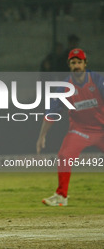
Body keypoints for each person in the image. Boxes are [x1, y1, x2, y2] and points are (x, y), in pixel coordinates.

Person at [36, 48, 104, 206]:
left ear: (85, 63)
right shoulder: (65, 86)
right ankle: (61, 196)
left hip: (101, 130)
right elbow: (52, 113)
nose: (77, 66)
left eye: (79, 62)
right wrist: (42, 136)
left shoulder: (97, 80)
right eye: (73, 63)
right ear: (69, 65)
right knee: (64, 155)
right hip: (80, 130)